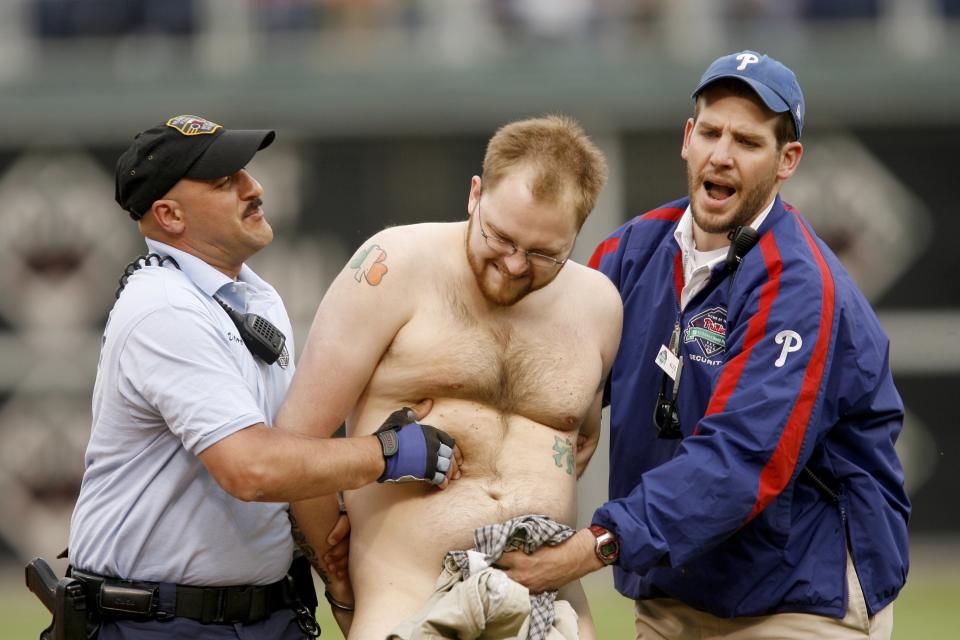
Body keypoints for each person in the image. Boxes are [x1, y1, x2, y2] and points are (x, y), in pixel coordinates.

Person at [499, 51, 910, 639]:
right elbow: (541, 390)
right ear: (687, 139)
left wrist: (594, 543)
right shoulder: (631, 253)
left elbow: (741, 459)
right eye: (711, 131)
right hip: (677, 588)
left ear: (786, 160)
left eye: (747, 140)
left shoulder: (798, 284)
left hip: (799, 594)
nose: (722, 153)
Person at [66, 115, 460, 640]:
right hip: (153, 620)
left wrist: (337, 582)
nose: (254, 189)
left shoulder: (252, 295)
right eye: (225, 181)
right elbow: (250, 469)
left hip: (266, 613)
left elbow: (295, 448)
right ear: (169, 214)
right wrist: (385, 453)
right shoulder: (163, 309)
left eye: (245, 172)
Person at [277, 114, 623, 639]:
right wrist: (341, 583)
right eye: (500, 237)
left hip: (546, 610)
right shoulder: (392, 265)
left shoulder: (599, 306)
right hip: (408, 604)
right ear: (474, 195)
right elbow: (298, 441)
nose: (512, 265)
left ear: (577, 235)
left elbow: (576, 447)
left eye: (543, 254)